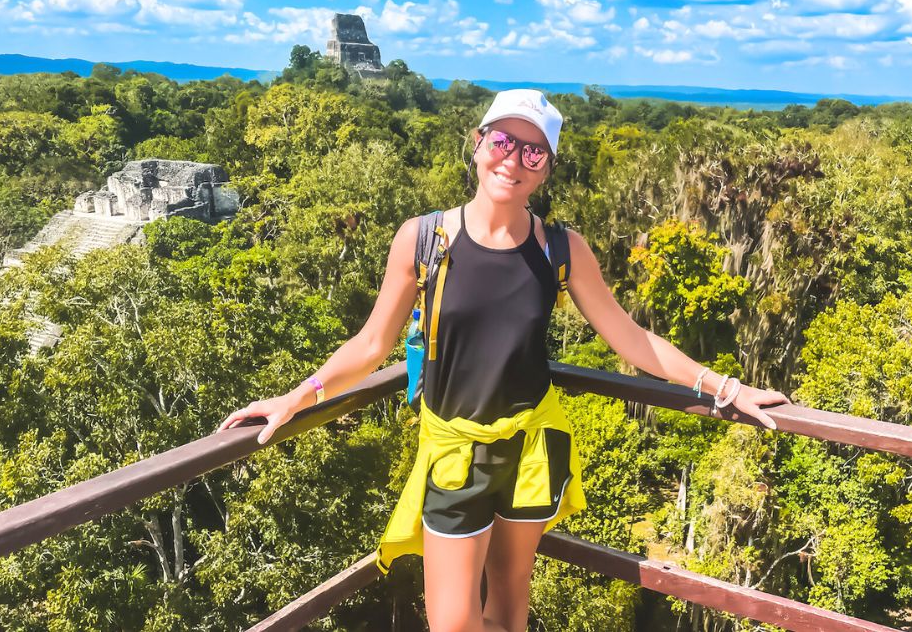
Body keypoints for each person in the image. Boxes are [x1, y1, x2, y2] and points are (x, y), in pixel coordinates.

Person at [217, 89, 790, 632]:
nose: (513, 160)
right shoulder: (423, 239)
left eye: (532, 150)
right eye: (502, 142)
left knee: (511, 605)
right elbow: (372, 345)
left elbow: (631, 339)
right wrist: (297, 396)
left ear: (547, 167)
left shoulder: (560, 248)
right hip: (454, 451)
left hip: (533, 446)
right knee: (453, 622)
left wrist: (725, 387)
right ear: (478, 142)